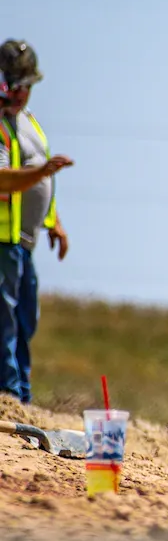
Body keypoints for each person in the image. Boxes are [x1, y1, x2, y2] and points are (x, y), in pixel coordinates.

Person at [0, 41, 72, 403]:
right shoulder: (0, 124)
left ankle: (22, 396)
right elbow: (3, 178)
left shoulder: (29, 125)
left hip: (24, 241)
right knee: (5, 322)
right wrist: (42, 171)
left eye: (25, 86)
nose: (19, 93)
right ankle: (9, 395)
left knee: (25, 320)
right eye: (13, 84)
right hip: (2, 241)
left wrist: (53, 220)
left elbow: (43, 181)